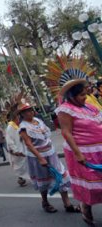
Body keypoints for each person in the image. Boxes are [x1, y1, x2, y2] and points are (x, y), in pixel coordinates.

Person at [18, 103, 80, 214]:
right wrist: (40, 158)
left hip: (50, 153)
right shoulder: (23, 127)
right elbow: (29, 144)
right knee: (44, 180)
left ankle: (67, 204)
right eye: (26, 111)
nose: (29, 112)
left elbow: (45, 136)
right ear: (22, 114)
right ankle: (45, 202)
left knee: (60, 175)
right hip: (37, 157)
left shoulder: (38, 121)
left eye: (30, 110)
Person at [56, 79, 102, 225]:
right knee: (91, 186)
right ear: (71, 96)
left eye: (85, 93)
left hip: (99, 149)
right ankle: (86, 209)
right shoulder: (65, 109)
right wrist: (78, 154)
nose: (85, 97)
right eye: (82, 94)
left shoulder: (90, 107)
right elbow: (66, 133)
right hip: (83, 152)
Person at [5, 112, 29, 186]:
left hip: (21, 148)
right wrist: (15, 151)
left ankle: (23, 178)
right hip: (16, 151)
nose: (19, 119)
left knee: (23, 165)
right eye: (18, 118)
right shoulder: (10, 127)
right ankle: (20, 179)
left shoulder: (16, 126)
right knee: (19, 166)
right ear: (15, 118)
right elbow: (9, 141)